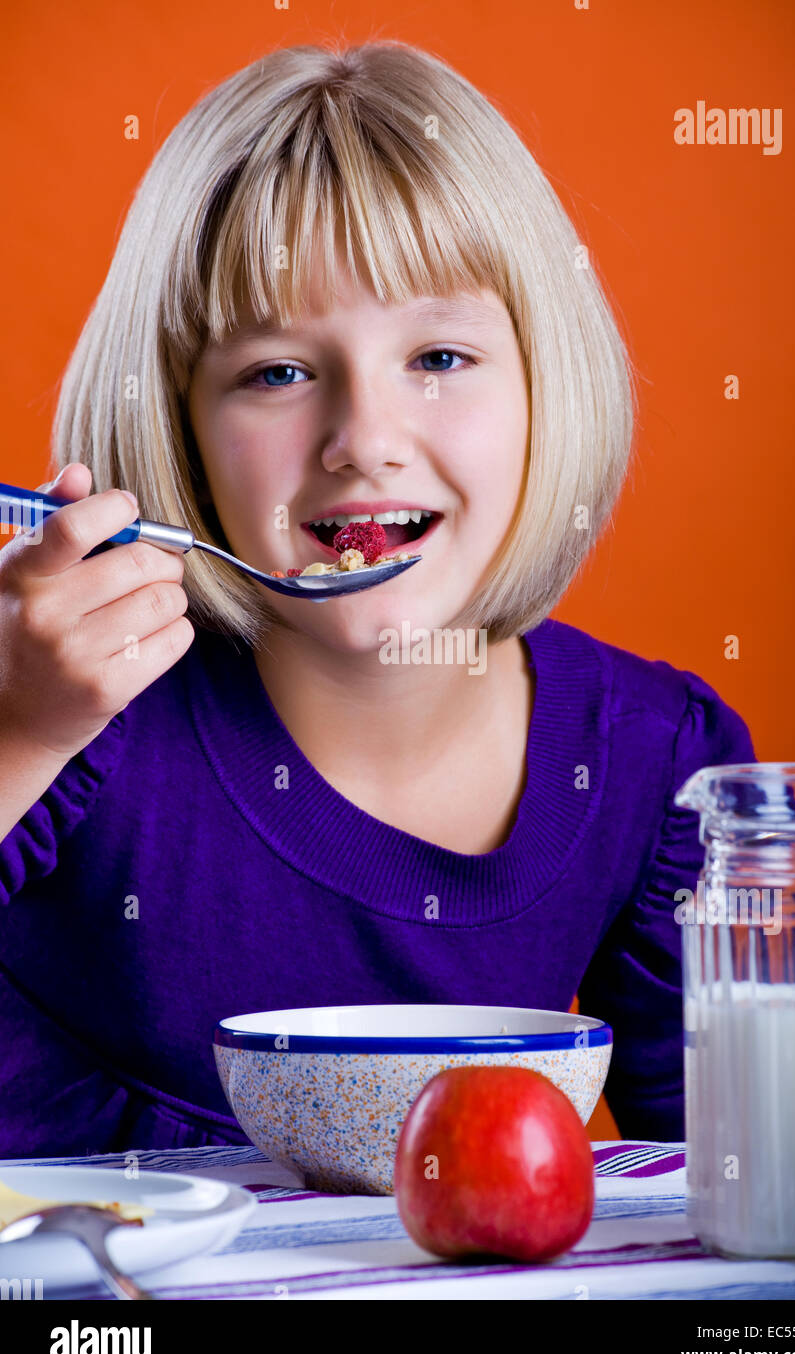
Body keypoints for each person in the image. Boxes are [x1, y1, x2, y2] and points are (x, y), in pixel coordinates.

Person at [0, 40, 755, 1158]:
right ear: (179, 428)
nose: (364, 442)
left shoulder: (652, 766)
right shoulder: (73, 719)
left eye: (439, 357)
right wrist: (16, 732)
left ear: (548, 382)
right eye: (278, 373)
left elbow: (750, 1188)